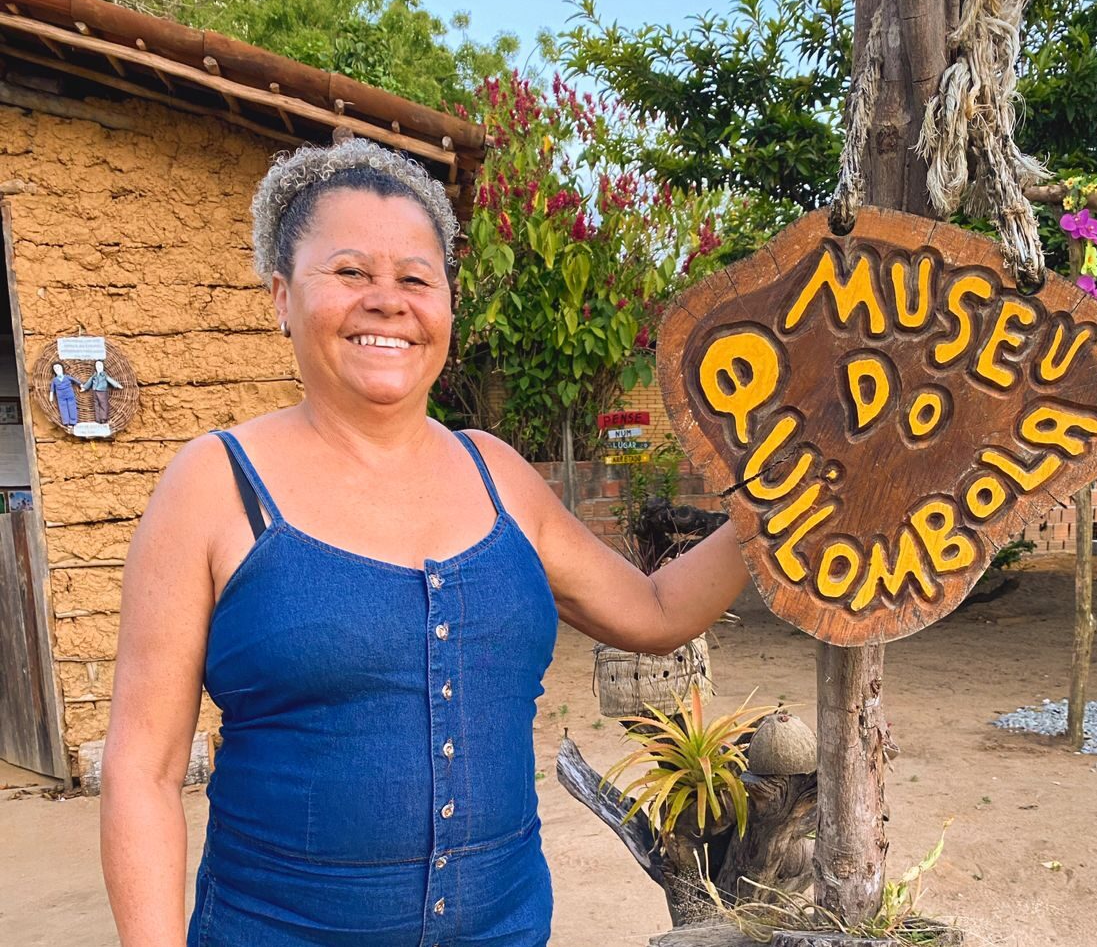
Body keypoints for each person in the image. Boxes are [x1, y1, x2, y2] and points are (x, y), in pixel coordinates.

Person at [101, 139, 750, 947]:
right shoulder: (213, 485)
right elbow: (143, 771)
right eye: (349, 273)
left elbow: (653, 610)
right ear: (280, 296)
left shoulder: (496, 474)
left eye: (416, 278)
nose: (387, 301)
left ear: (447, 304)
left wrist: (776, 507)